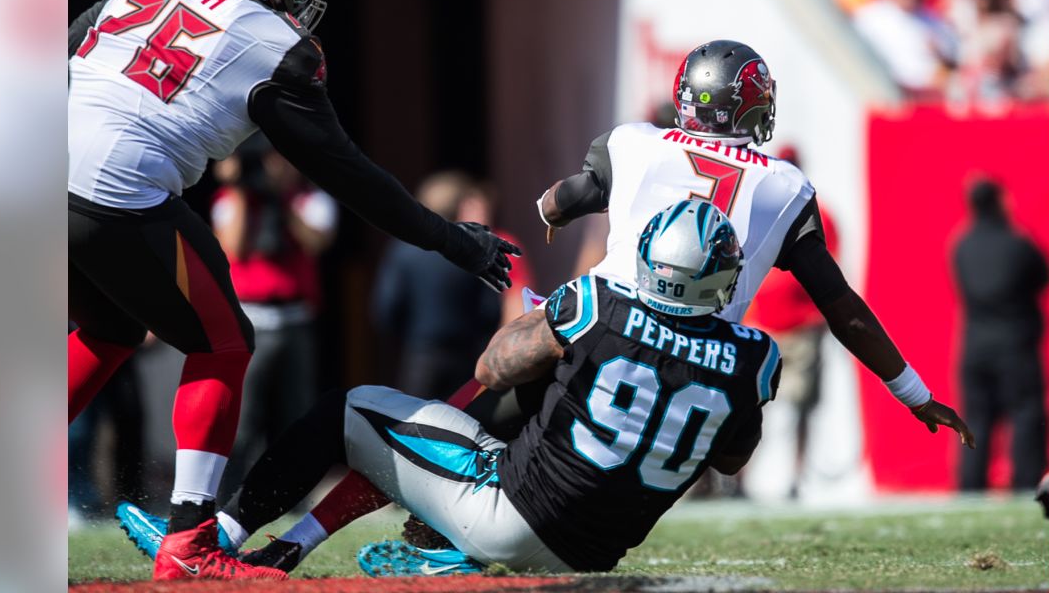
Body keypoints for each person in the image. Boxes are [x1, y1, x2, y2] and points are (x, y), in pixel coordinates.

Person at [117, 41, 974, 573]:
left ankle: (230, 531)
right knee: (486, 447)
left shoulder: (636, 145)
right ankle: (383, 543)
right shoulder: (783, 195)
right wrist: (910, 393)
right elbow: (842, 306)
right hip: (701, 352)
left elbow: (559, 201)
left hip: (596, 324)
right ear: (752, 110)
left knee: (435, 414)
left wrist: (558, 212)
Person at [68, 0, 519, 581]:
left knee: (110, 329)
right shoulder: (274, 45)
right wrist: (454, 241)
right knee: (221, 344)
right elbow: (352, 177)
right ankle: (191, 541)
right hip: (117, 185)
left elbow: (69, 50)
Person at [118, 203, 805, 573]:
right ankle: (343, 548)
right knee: (460, 435)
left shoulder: (601, 303)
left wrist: (552, 324)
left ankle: (220, 538)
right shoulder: (756, 357)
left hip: (510, 514)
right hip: (593, 552)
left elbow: (491, 369)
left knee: (351, 410)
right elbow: (730, 460)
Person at [210, 136, 337, 499]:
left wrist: (280, 198)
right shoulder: (232, 200)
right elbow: (232, 245)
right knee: (243, 417)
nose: (276, 167)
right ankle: (228, 494)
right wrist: (241, 188)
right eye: (268, 160)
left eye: (282, 159)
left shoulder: (310, 199)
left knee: (296, 413)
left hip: (296, 319)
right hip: (250, 320)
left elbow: (316, 241)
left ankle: (291, 492)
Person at [741, 144, 838, 500]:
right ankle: (740, 479)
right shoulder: (755, 210)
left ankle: (796, 479)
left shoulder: (821, 215)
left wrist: (820, 317)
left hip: (800, 327)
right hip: (763, 326)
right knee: (748, 407)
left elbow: (831, 273)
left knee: (800, 407)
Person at [952, 179, 1049, 491]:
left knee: (975, 420)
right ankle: (1026, 485)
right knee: (1025, 416)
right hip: (1015, 345)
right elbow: (1044, 275)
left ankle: (970, 489)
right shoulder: (1017, 244)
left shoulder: (961, 246)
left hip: (975, 347)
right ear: (998, 201)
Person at [372, 172, 504, 400]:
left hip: (419, 357)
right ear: (458, 207)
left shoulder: (403, 250)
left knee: (416, 427)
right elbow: (491, 310)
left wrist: (409, 337)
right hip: (466, 361)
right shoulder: (471, 251)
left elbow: (386, 308)